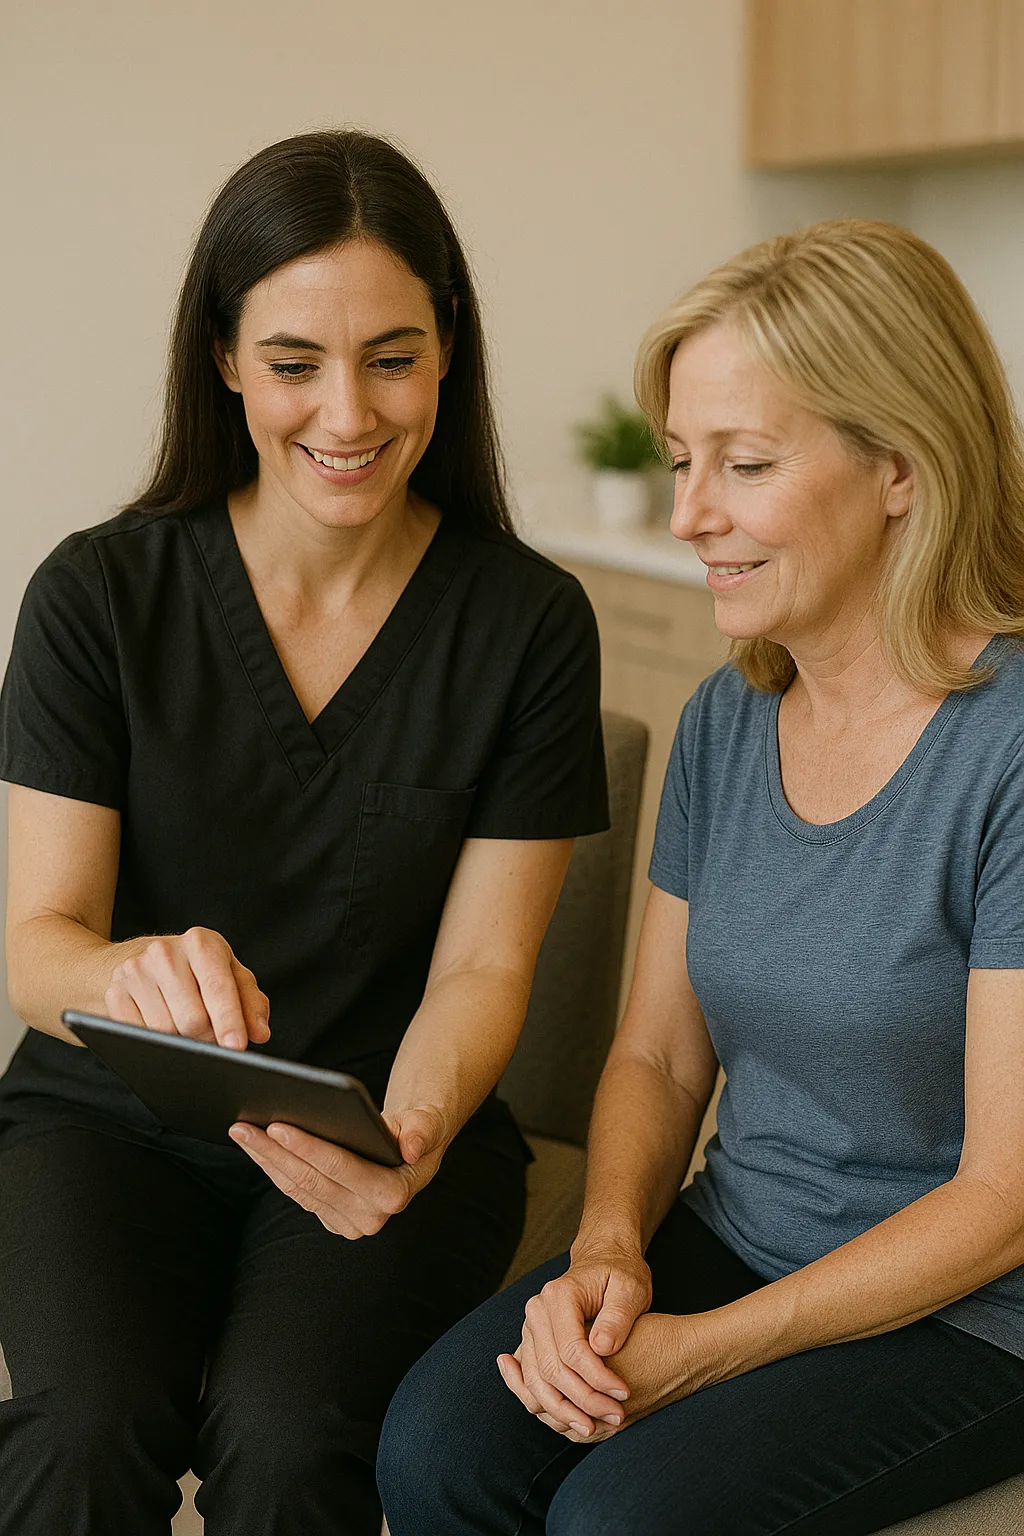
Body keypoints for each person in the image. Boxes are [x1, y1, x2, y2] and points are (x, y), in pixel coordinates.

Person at [0, 129, 607, 1536]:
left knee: (290, 1441)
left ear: (447, 351)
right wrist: (127, 974)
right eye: (294, 363)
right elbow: (38, 947)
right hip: (110, 1120)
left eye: (393, 356)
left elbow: (482, 973)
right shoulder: (98, 595)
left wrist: (412, 1129)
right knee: (86, 1425)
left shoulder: (525, 625)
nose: (349, 411)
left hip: (390, 1125)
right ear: (222, 358)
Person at [377, 219, 1024, 1535]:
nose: (690, 516)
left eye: (744, 463)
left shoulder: (1006, 750)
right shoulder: (729, 721)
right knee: (436, 1447)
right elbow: (660, 1061)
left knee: (622, 1519)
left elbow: (1003, 1202)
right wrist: (609, 1247)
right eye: (683, 461)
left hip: (976, 1309)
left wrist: (706, 1349)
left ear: (900, 465)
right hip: (740, 1225)